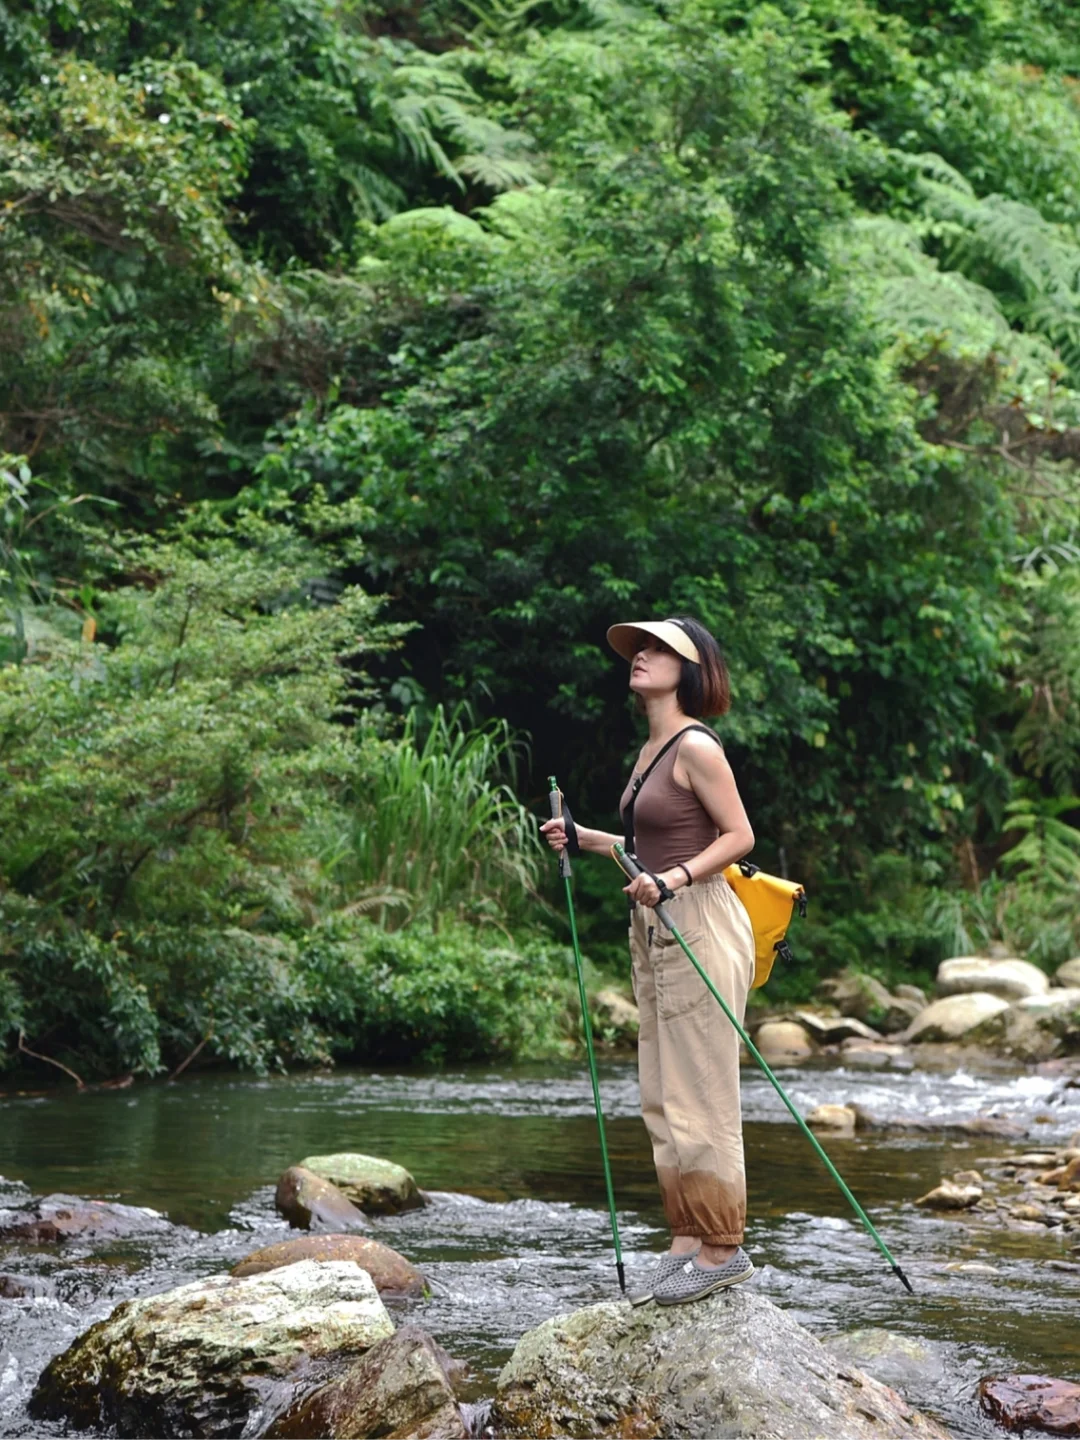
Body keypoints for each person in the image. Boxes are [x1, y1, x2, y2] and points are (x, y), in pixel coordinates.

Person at [540, 616, 757, 1306]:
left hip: (697, 918)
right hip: (654, 923)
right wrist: (585, 838)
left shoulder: (696, 745)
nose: (641, 656)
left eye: (659, 649)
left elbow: (739, 835)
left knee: (701, 1094)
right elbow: (642, 844)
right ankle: (687, 1241)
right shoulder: (649, 750)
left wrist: (676, 879)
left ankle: (724, 1248)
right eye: (639, 648)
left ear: (690, 670)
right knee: (662, 1094)